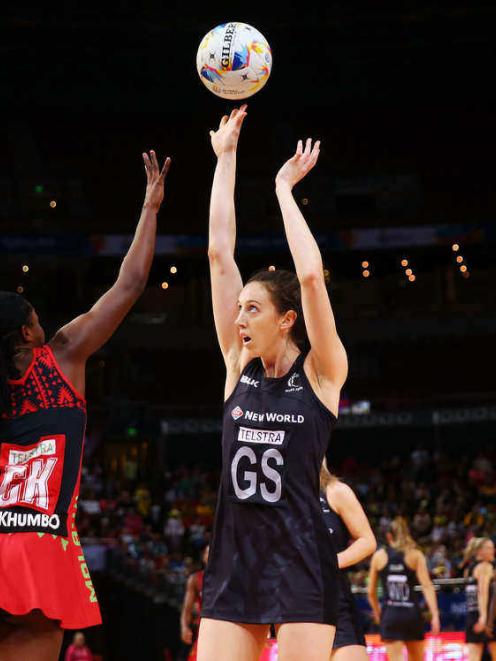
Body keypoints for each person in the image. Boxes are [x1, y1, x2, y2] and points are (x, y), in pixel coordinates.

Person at [0, 150, 170, 661]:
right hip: (39, 542)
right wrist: (150, 208)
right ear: (29, 331)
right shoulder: (64, 354)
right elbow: (130, 284)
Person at [199, 105, 348, 661]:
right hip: (234, 559)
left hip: (302, 558)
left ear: (286, 319)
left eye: (253, 308)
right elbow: (219, 255)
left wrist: (284, 188)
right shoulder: (237, 363)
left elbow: (309, 275)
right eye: (239, 308)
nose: (238, 319)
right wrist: (226, 158)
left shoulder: (322, 373)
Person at [320, 459, 376, 660]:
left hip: (334, 601)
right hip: (292, 604)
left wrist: (329, 562)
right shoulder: (281, 495)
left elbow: (367, 541)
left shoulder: (335, 491)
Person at [368, 516, 440, 661]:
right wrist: (435, 615)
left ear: (389, 536)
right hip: (412, 615)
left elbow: (371, 592)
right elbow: (427, 586)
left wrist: (378, 613)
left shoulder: (379, 556)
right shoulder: (415, 555)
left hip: (390, 615)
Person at [463, 537, 496, 661]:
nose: (492, 550)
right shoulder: (484, 567)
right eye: (489, 548)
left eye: (492, 547)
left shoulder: (469, 569)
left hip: (472, 615)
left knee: (473, 657)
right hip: (488, 617)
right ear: (479, 551)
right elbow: (482, 592)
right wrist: (483, 617)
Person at [180, 545, 210, 661]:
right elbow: (186, 608)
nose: (211, 555)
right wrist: (184, 627)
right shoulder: (195, 579)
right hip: (203, 630)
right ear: (203, 557)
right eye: (208, 552)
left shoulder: (229, 579)